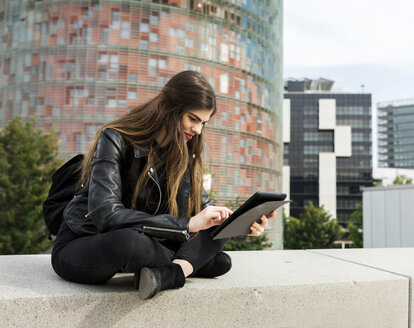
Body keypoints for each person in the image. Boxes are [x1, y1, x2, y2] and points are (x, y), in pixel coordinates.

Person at [51, 70, 276, 300]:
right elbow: (105, 215)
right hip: (87, 243)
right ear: (169, 108)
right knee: (136, 244)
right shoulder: (114, 139)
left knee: (218, 225)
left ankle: (171, 272)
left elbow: (205, 214)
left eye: (204, 123)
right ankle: (185, 267)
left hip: (153, 242)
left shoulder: (184, 152)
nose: (198, 130)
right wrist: (186, 225)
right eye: (193, 119)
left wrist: (242, 222)